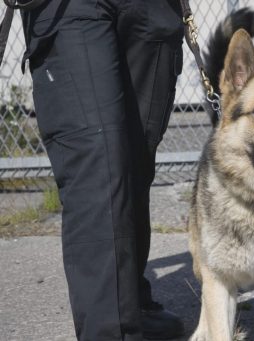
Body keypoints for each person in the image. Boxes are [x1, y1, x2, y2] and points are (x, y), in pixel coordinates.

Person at [19, 0, 185, 339]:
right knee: (98, 164)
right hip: (69, 7)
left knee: (135, 160)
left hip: (152, 8)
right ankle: (110, 329)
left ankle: (128, 301)